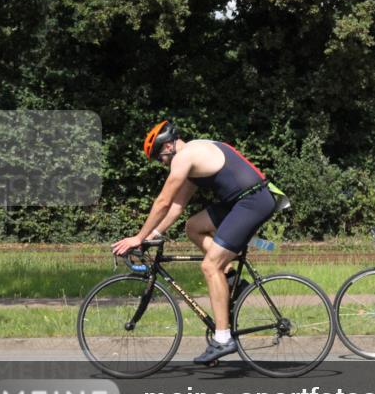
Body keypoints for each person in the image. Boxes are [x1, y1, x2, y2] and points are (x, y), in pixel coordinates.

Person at [112, 120, 276, 363]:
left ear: (168, 145)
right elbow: (176, 208)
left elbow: (163, 202)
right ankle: (231, 278)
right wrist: (153, 235)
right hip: (241, 201)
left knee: (210, 266)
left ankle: (223, 338)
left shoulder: (184, 157)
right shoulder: (193, 156)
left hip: (251, 202)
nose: (161, 162)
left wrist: (138, 237)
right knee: (193, 227)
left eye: (159, 156)